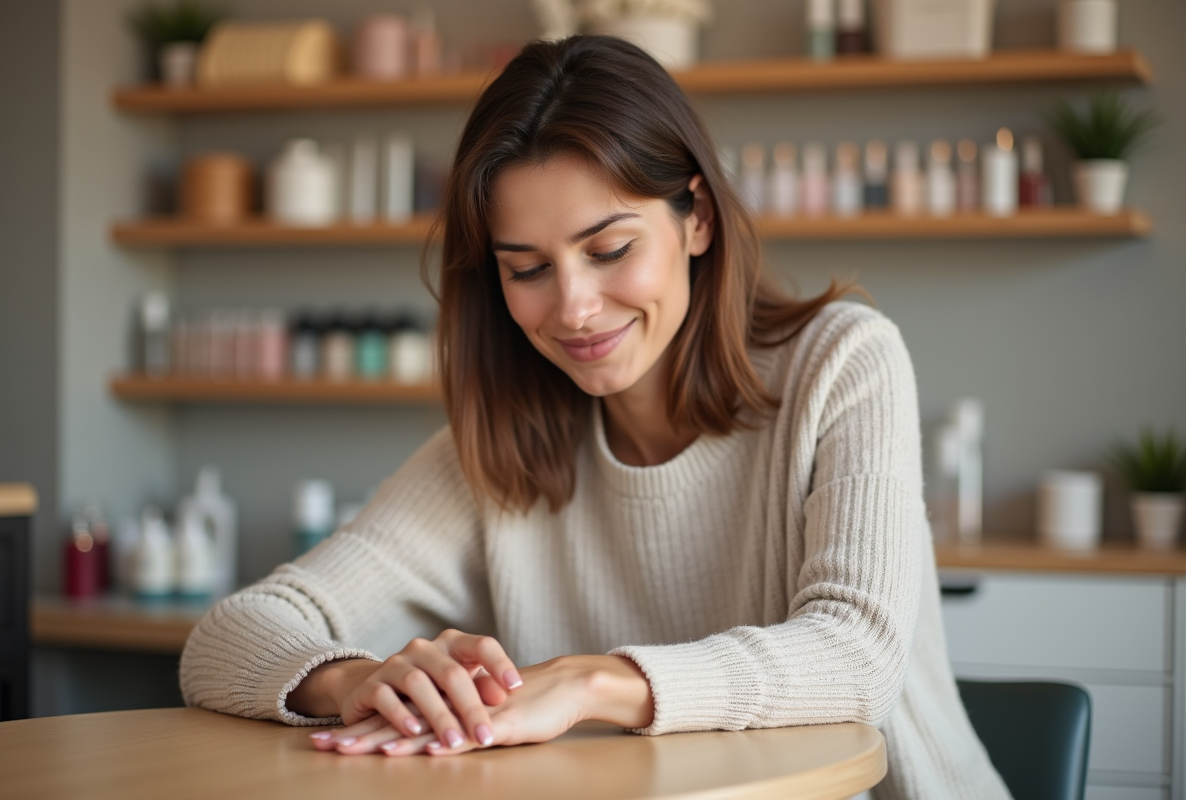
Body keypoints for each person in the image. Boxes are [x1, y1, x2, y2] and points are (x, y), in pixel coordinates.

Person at [180, 35, 1010, 799]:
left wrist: (590, 684)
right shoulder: (501, 448)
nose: (573, 308)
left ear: (699, 218)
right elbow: (228, 637)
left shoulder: (843, 363)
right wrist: (353, 679)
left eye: (609, 250)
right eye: (528, 268)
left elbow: (857, 656)